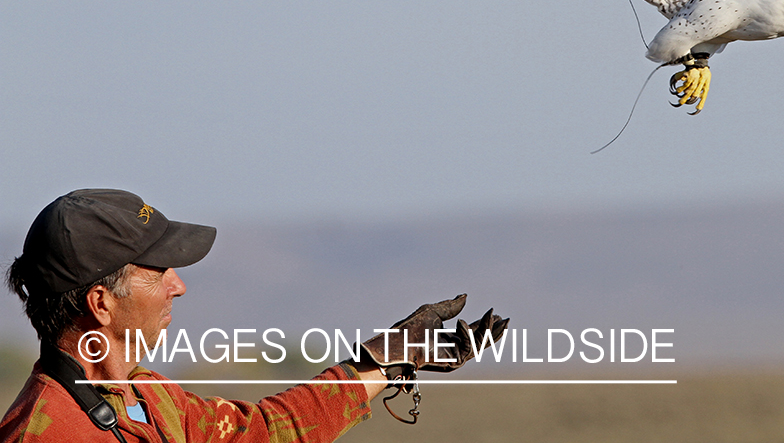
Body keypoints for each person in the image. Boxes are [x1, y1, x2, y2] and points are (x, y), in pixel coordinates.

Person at [1, 189, 507, 442]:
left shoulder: (145, 397)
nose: (179, 285)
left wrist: (383, 360)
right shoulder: (48, 432)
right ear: (101, 303)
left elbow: (264, 431)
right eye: (158, 272)